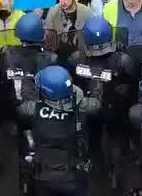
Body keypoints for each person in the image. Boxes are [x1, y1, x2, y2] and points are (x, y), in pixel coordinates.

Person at [68, 17, 138, 191]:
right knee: (117, 141)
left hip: (90, 112)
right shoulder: (123, 61)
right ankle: (115, 175)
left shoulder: (76, 59)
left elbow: (73, 84)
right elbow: (133, 85)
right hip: (115, 111)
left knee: (93, 140)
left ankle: (95, 170)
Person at [16, 65, 100, 196]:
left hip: (42, 177)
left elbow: (20, 108)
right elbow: (96, 104)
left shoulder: (32, 108)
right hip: (74, 176)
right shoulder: (82, 106)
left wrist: (26, 81)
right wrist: (96, 80)